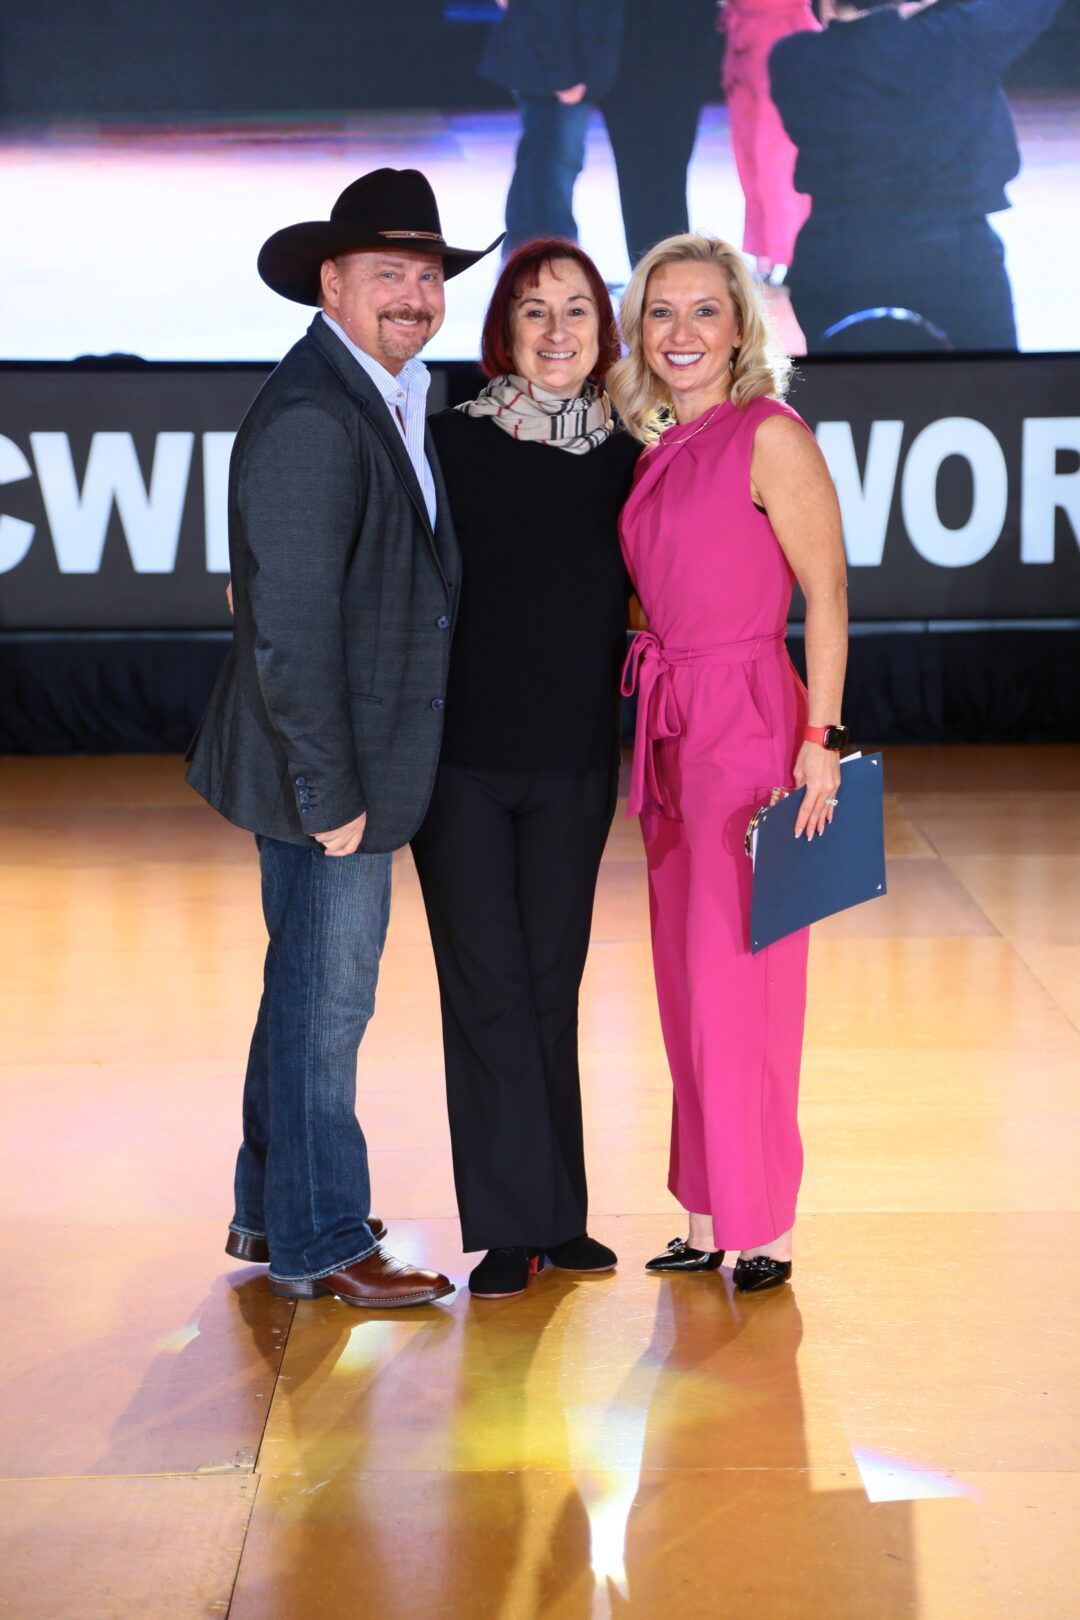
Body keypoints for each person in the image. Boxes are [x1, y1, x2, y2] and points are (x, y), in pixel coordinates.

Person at [186, 168, 500, 1309]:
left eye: (429, 275)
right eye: (388, 274)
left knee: (303, 993)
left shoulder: (382, 391)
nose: (415, 296)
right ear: (331, 282)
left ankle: (275, 1210)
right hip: (323, 775)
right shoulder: (319, 415)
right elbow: (292, 626)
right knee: (328, 1008)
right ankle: (322, 1240)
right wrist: (330, 794)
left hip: (334, 762)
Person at [608, 233, 848, 1293]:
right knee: (685, 985)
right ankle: (707, 1214)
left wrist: (819, 742)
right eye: (662, 312)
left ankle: (766, 1226)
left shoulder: (770, 435)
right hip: (671, 731)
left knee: (745, 985)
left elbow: (828, 595)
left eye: (705, 310)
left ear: (741, 326)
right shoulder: (659, 445)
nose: (682, 332)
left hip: (749, 722)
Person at [410, 239, 640, 1299]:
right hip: (459, 766)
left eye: (578, 310)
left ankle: (559, 1217)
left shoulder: (632, 455)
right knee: (488, 990)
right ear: (503, 328)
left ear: (604, 331)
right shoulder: (446, 442)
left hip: (574, 763)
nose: (557, 331)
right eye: (535, 310)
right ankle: (509, 1228)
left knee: (552, 986)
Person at [770, 0, 1063, 352]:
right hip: (954, 258)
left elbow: (863, 42)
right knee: (988, 382)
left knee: (849, 383)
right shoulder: (953, 41)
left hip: (834, 254)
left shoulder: (794, 59)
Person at [481, 0, 624, 250]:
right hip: (555, 63)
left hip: (555, 59)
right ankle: (553, 250)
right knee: (554, 161)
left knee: (543, 158)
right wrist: (565, 75)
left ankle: (534, 247)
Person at [598, 0, 717, 269]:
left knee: (669, 171)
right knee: (637, 170)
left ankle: (672, 265)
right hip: (626, 62)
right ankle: (649, 268)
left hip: (682, 57)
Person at [718, 0, 820, 283]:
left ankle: (789, 253)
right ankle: (765, 253)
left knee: (779, 156)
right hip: (744, 33)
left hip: (785, 33)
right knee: (749, 155)